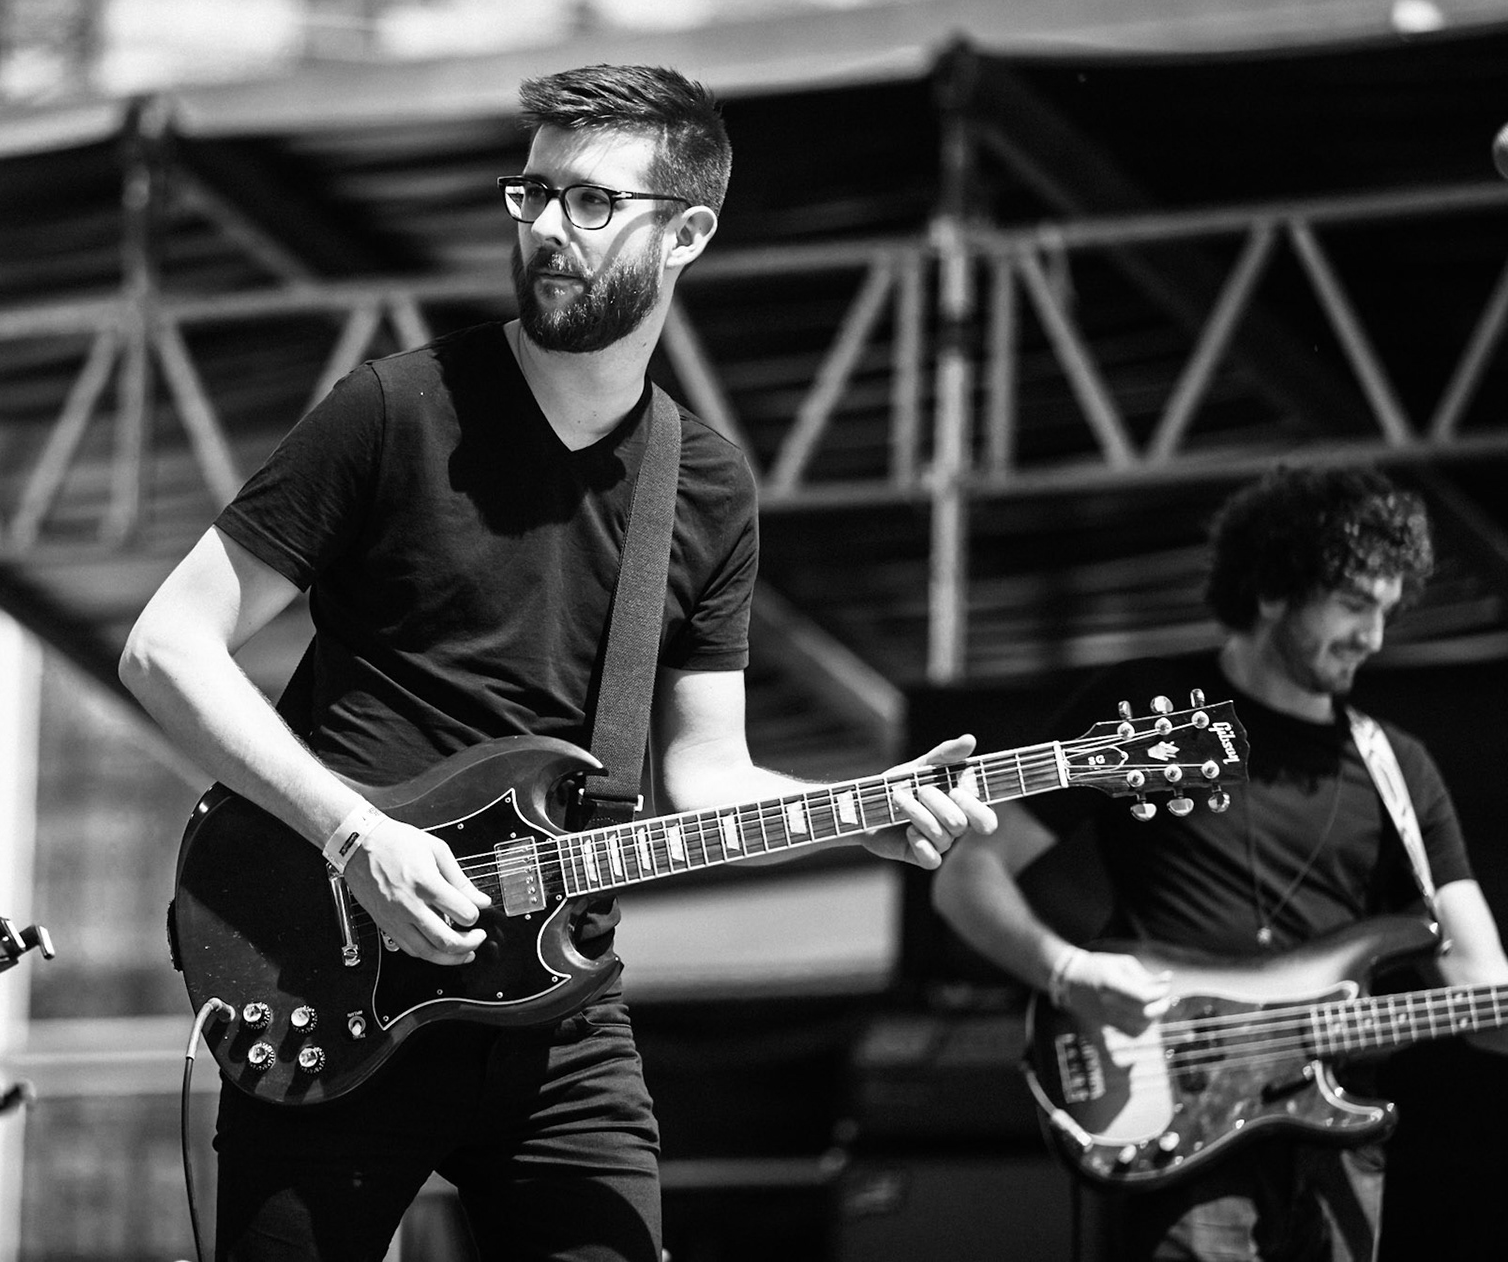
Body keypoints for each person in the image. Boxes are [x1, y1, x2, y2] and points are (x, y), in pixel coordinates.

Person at [119, 63, 997, 1262]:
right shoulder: (395, 409)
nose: (545, 229)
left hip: (556, 1009)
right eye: (531, 193)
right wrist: (355, 834)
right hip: (326, 970)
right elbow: (167, 643)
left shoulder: (707, 485)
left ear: (686, 231)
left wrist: (862, 813)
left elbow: (707, 779)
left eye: (591, 203)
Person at [931, 465, 1508, 1261]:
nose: (1372, 637)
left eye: (1385, 609)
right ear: (1274, 590)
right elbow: (969, 871)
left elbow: (1483, 991)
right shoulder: (1150, 714)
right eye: (1351, 604)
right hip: (1172, 1116)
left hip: (1333, 1141)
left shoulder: (1398, 767)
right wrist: (1066, 973)